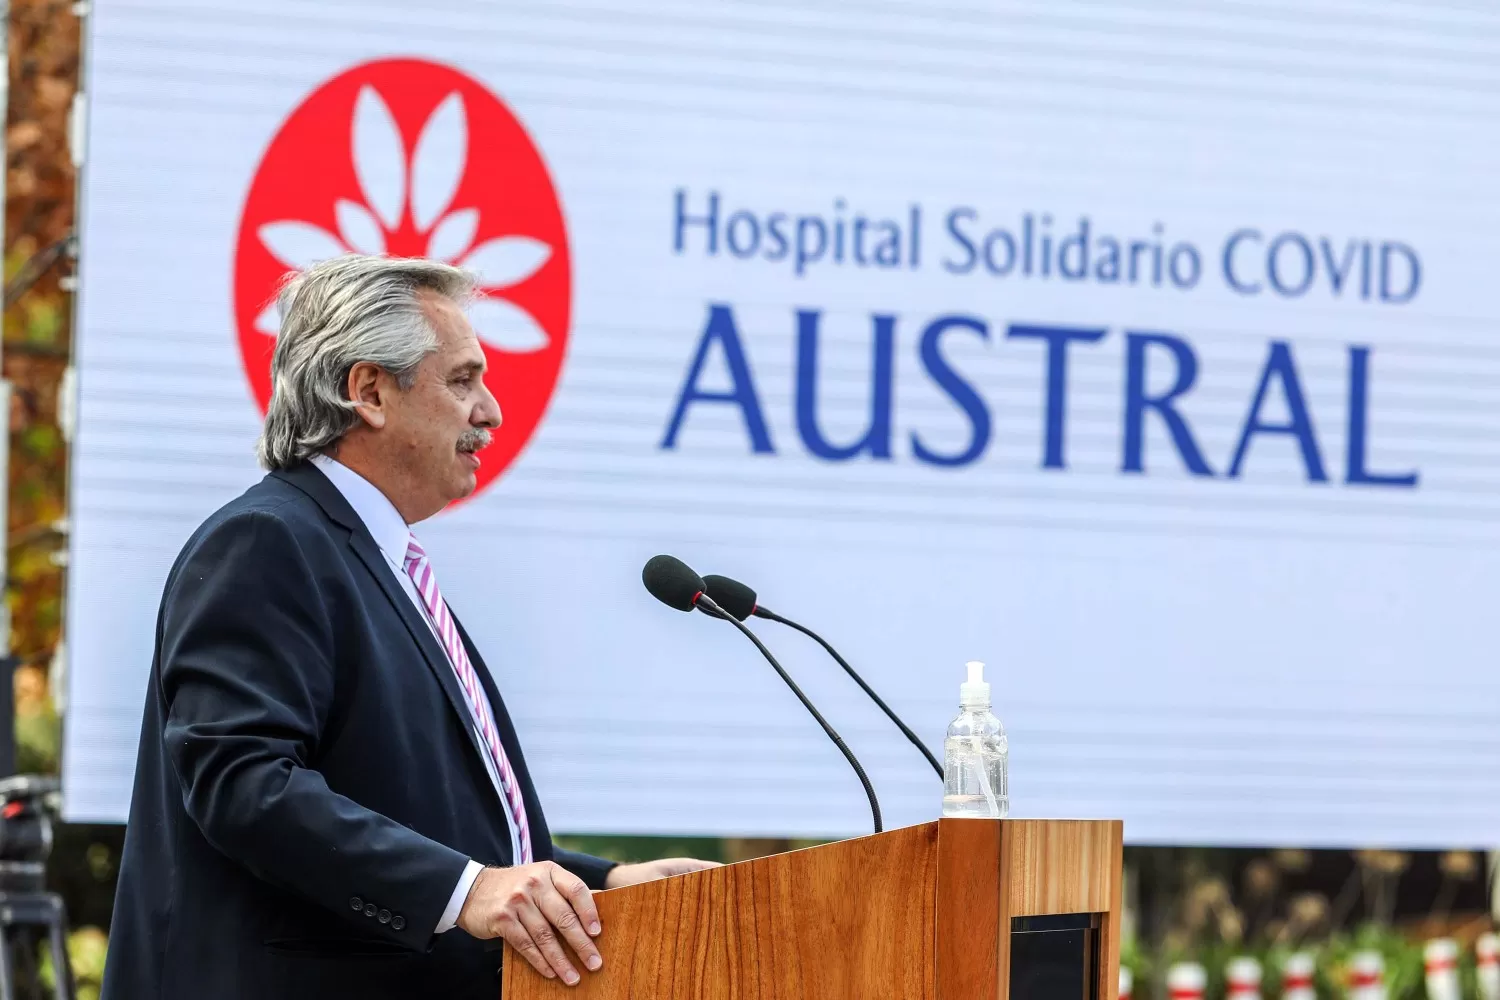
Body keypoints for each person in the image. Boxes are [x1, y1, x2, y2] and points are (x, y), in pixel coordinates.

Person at [101, 255, 717, 1000]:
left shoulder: (374, 561)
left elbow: (429, 822)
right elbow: (245, 784)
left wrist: (609, 882)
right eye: (463, 380)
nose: (489, 410)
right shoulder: (269, 542)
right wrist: (466, 891)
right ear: (369, 392)